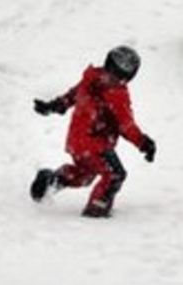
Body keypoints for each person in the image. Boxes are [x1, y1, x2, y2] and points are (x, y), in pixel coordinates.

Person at [30, 46, 156, 218]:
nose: (114, 77)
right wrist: (144, 143)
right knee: (114, 174)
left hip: (77, 142)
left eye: (121, 73)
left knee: (85, 174)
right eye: (114, 70)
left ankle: (51, 180)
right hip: (95, 143)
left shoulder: (91, 78)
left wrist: (52, 106)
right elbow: (126, 125)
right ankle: (97, 209)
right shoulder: (117, 94)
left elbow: (70, 97)